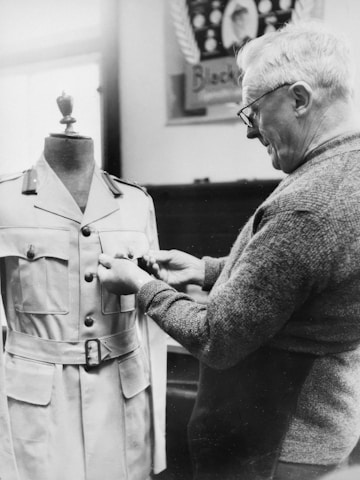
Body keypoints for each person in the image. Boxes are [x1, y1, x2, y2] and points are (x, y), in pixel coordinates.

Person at [97, 21, 360, 480]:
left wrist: (142, 286)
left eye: (253, 111)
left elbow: (217, 339)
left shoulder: (309, 204)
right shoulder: (345, 171)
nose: (250, 131)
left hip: (277, 441)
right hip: (322, 422)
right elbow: (306, 278)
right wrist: (208, 270)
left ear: (299, 99)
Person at [0, 97, 167, 480]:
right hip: (34, 405)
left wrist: (157, 437)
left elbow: (152, 326)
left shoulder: (135, 203)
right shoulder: (5, 202)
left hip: (123, 399)